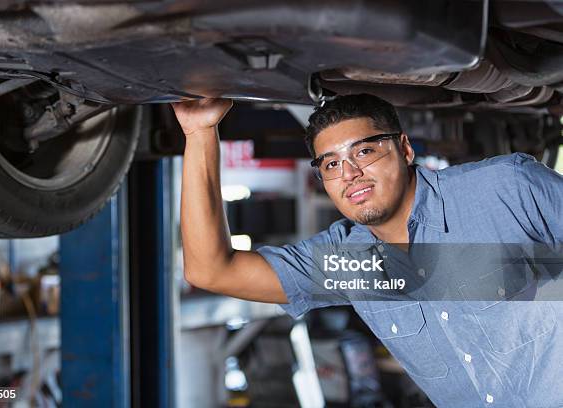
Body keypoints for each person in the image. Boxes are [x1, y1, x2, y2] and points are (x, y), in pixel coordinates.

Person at [172, 94, 563, 408]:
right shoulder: (351, 262)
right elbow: (210, 270)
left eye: (364, 152)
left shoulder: (506, 188)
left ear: (405, 149)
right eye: (331, 164)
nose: (349, 174)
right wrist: (199, 132)